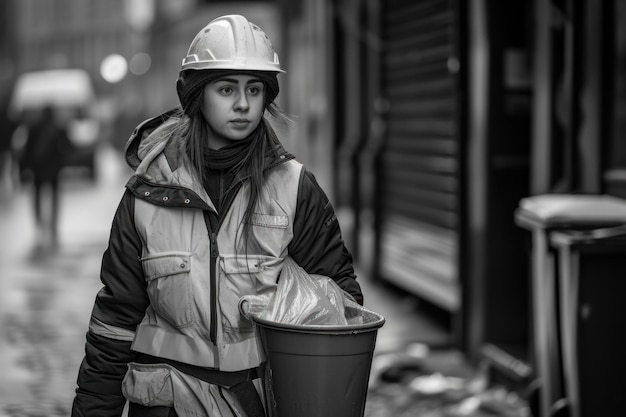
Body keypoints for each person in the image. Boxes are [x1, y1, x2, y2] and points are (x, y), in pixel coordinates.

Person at [71, 14, 363, 417]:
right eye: (227, 88)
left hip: (255, 403)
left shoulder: (294, 187)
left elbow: (341, 307)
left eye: (255, 89)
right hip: (166, 405)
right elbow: (114, 323)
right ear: (196, 96)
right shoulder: (148, 193)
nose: (243, 104)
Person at [19, 104, 71, 245]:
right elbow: (67, 146)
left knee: (37, 196)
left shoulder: (34, 128)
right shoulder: (58, 128)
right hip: (53, 168)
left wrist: (25, 168)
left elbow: (27, 151)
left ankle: (39, 224)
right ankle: (53, 224)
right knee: (54, 196)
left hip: (39, 169)